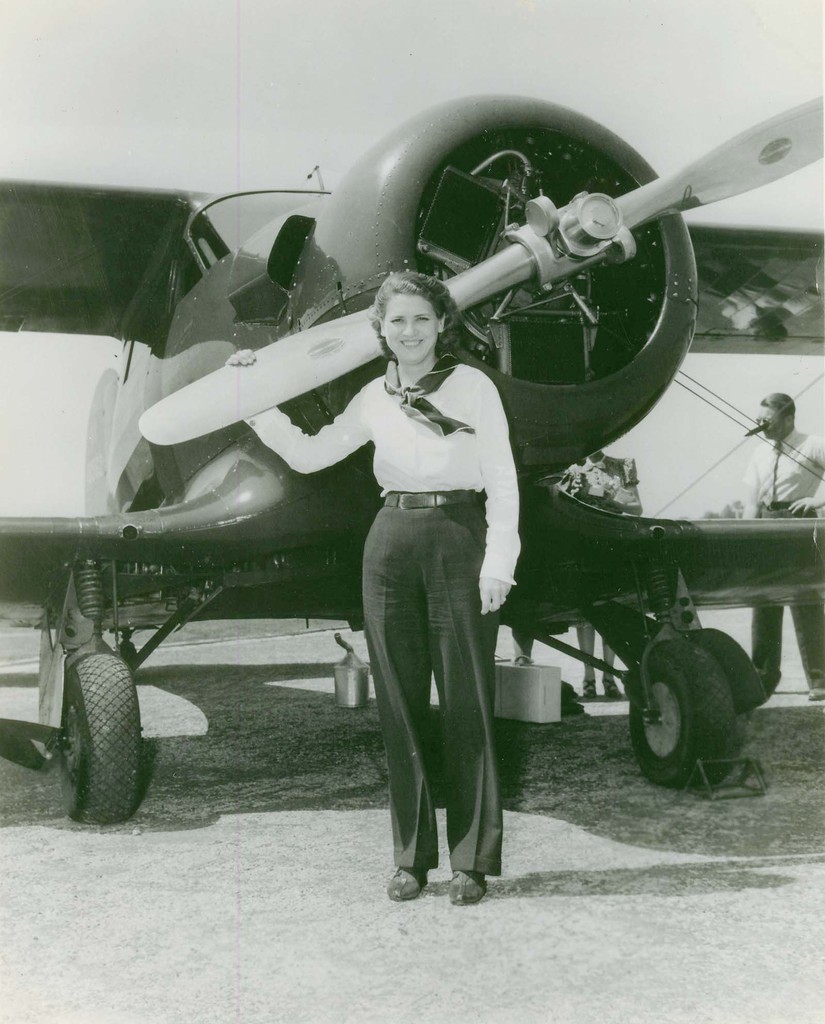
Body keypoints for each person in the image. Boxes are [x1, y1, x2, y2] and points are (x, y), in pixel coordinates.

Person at [229, 271, 520, 905]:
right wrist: (254, 399)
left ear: (441, 323)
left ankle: (470, 861)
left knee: (467, 700)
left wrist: (498, 561)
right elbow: (311, 454)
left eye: (421, 319)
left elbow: (501, 477)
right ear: (381, 332)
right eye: (397, 322)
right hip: (389, 540)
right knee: (399, 704)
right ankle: (410, 860)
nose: (409, 331)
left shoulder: (473, 387)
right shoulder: (372, 398)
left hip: (459, 536)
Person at [513, 451, 642, 698]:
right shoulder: (569, 468)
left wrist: (609, 498)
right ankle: (590, 676)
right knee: (587, 614)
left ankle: (609, 676)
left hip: (612, 542)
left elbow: (636, 507)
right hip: (581, 544)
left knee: (609, 609)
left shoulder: (621, 466)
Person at [743, 393, 825, 701]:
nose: (761, 425)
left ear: (788, 418)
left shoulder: (812, 443)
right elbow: (751, 502)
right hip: (764, 523)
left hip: (798, 522)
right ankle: (762, 679)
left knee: (806, 599)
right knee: (763, 600)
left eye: (768, 419)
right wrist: (746, 538)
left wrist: (818, 501)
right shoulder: (759, 452)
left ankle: (819, 680)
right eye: (758, 419)